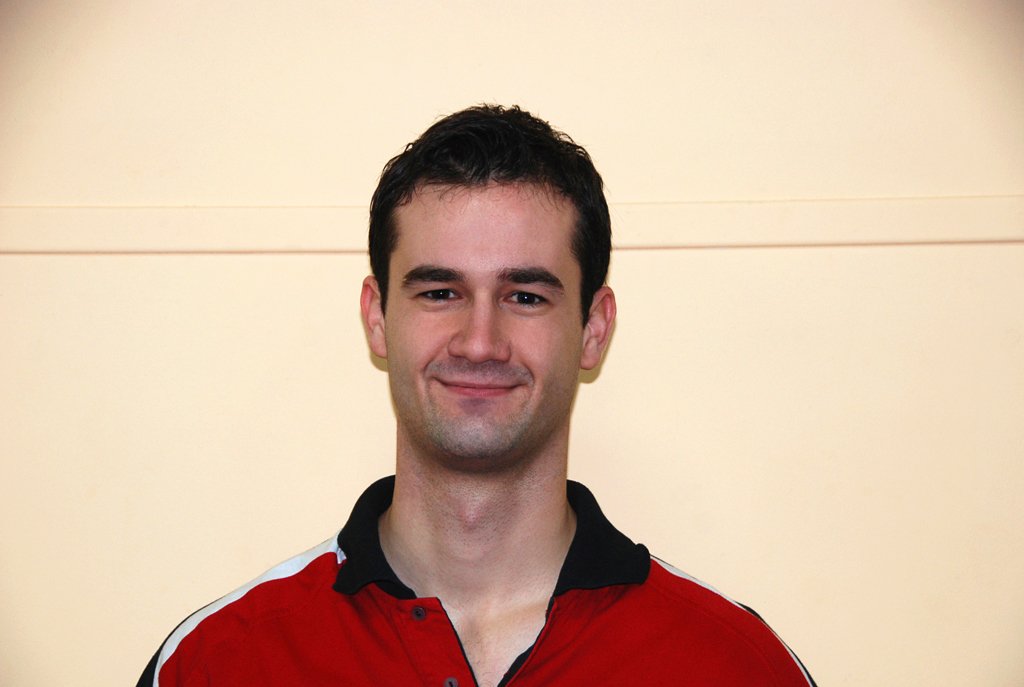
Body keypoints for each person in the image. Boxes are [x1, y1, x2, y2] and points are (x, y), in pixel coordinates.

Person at [137, 105, 816, 687]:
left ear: (593, 328)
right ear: (377, 317)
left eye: (526, 296)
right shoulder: (219, 661)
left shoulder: (736, 665)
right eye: (440, 292)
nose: (480, 342)